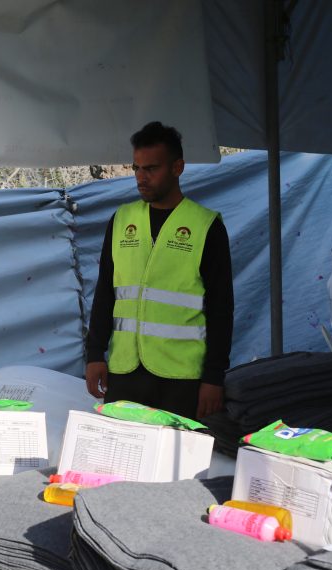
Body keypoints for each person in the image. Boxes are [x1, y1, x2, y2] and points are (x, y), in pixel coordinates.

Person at [84, 121, 234, 420]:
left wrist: (214, 377)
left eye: (151, 168)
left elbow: (221, 309)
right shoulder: (122, 220)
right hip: (124, 371)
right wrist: (95, 354)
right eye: (137, 168)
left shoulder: (205, 226)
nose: (141, 177)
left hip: (182, 378)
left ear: (178, 167)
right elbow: (105, 293)